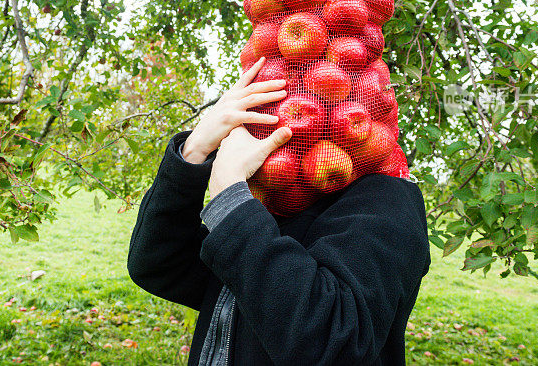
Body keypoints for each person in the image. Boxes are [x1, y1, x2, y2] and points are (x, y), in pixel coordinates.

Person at [127, 57, 431, 366]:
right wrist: (193, 152)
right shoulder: (275, 201)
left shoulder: (387, 201)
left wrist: (230, 195)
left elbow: (332, 343)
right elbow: (158, 265)